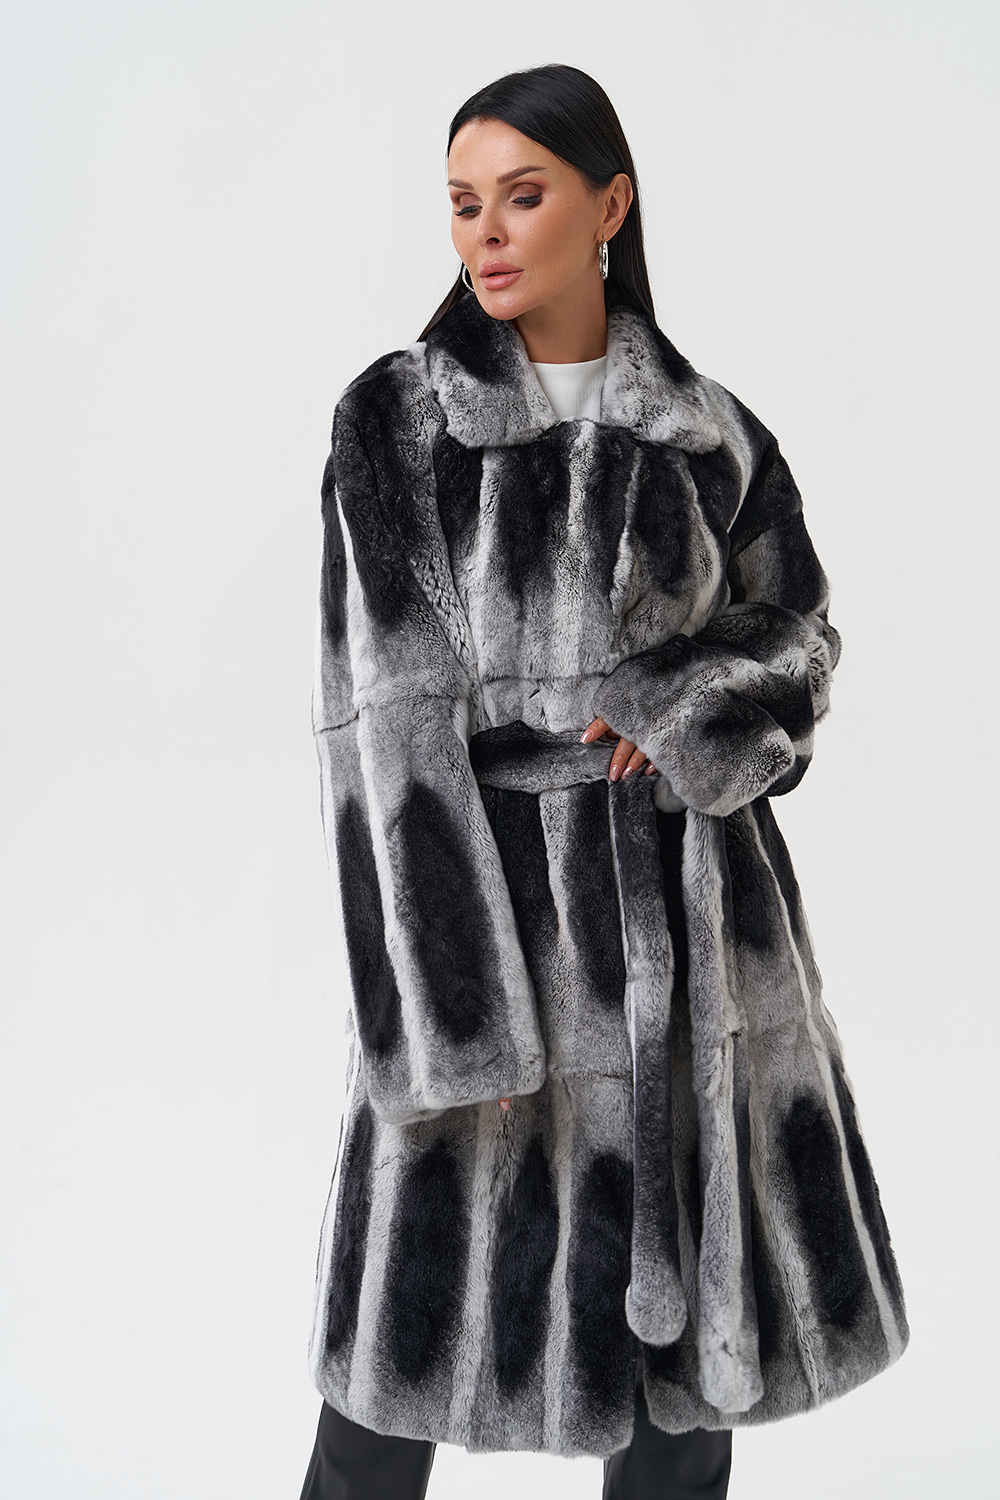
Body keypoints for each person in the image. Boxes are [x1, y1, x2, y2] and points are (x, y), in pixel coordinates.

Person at [298, 63, 909, 1500]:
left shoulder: (711, 434)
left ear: (610, 206)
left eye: (524, 196)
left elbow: (802, 634)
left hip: (700, 939)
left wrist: (680, 699)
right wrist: (452, 1025)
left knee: (687, 1382)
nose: (487, 234)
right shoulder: (400, 423)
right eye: (464, 204)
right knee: (398, 1368)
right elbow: (381, 724)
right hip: (492, 932)